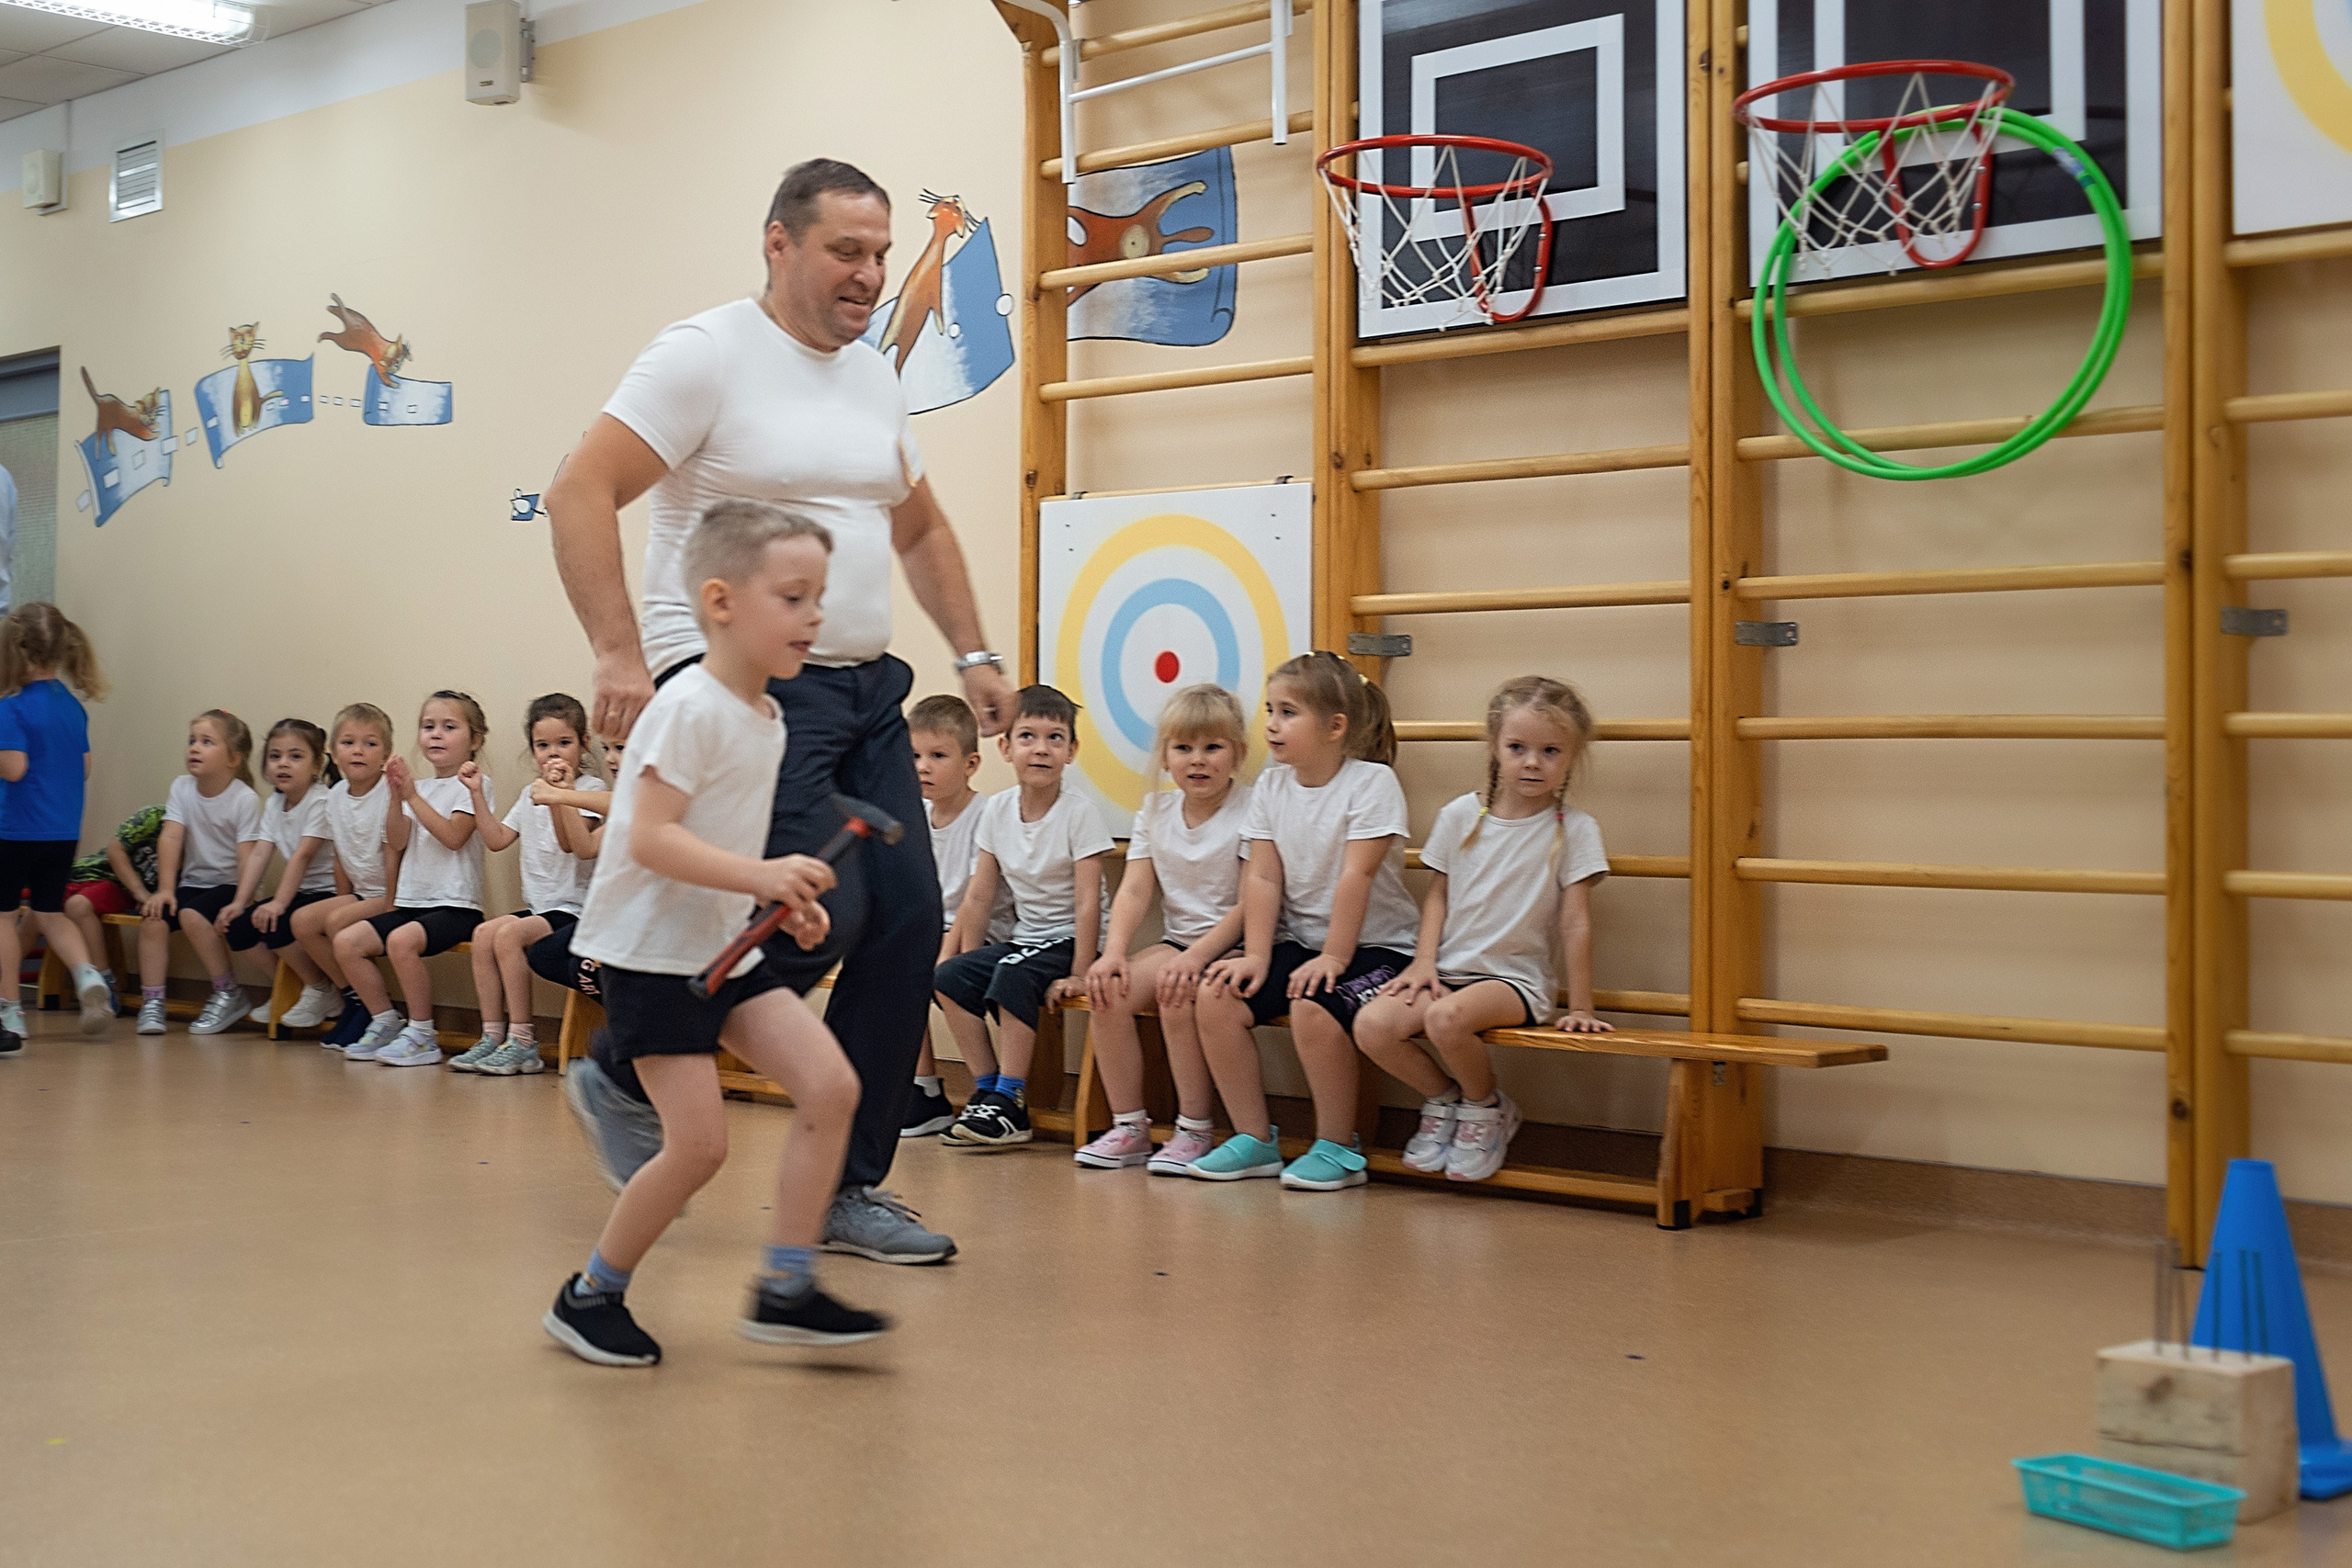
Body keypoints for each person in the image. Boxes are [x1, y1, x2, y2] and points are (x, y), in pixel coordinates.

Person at [547, 157, 1014, 1265]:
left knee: (906, 920)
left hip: (863, 686)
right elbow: (578, 490)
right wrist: (617, 651)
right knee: (824, 909)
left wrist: (975, 653)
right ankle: (627, 1068)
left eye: (881, 253)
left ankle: (847, 1190)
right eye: (846, 250)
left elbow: (918, 528)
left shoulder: (873, 375)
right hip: (740, 686)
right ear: (779, 243)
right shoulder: (704, 355)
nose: (870, 274)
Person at [543, 497, 885, 1367]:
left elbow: (726, 841)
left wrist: (782, 898)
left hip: (726, 945)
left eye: (819, 599)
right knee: (699, 1146)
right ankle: (590, 1295)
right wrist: (762, 877)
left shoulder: (766, 717)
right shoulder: (688, 706)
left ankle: (786, 1287)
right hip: (652, 956)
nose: (814, 617)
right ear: (721, 602)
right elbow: (650, 837)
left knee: (830, 1087)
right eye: (794, 598)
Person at [1352, 677, 1612, 1182]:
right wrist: (1423, 963)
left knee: (1446, 1019)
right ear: (1495, 746)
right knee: (1372, 1026)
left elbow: (1576, 920)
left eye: (1550, 751)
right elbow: (1438, 896)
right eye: (1517, 748)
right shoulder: (1459, 815)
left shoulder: (1575, 829)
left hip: (1514, 982)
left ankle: (1485, 1107)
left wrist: (1581, 1006)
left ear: (1572, 756)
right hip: (1449, 971)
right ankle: (1445, 1100)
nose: (1532, 762)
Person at [1194, 653, 1417, 1191]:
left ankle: (1338, 1146)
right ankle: (1253, 1138)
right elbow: (1263, 878)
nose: (1272, 724)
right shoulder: (1271, 787)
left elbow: (1357, 876)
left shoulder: (1373, 783)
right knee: (1215, 995)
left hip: (1381, 949)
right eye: (1270, 710)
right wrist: (1256, 955)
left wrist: (1335, 958)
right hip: (1303, 942)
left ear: (1335, 727)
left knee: (1312, 1008)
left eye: (1288, 712)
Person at [1076, 684, 1252, 1175]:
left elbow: (1250, 905)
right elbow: (1135, 890)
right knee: (1107, 990)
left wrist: (1196, 959)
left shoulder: (1253, 808)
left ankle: (1194, 1129)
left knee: (1177, 994)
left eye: (1212, 747)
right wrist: (1113, 952)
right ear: (1166, 756)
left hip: (1236, 945)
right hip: (1178, 943)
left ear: (1238, 753)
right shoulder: (1155, 811)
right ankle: (1129, 1127)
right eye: (1183, 748)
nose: (1198, 760)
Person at [932, 685, 1114, 1150]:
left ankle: (1011, 1102)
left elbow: (1088, 902)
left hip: (1073, 940)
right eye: (1028, 736)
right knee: (948, 977)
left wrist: (1080, 972)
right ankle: (987, 1091)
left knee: (1012, 975)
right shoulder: (997, 809)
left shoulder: (1079, 813)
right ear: (1006, 748)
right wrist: (967, 959)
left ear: (1071, 751)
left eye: (1055, 738)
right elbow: (979, 895)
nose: (1041, 748)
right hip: (1026, 939)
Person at [332, 692, 492, 1066]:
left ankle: (422, 1034)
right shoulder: (420, 787)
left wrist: (413, 796)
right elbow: (398, 839)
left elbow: (454, 837)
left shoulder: (474, 784)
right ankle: (386, 1021)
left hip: (456, 906)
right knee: (347, 943)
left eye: (449, 727)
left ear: (475, 739)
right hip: (413, 903)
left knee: (400, 942)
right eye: (428, 726)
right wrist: (395, 798)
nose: (435, 734)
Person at [453, 694, 604, 1077]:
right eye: (543, 745)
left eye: (564, 743)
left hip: (574, 909)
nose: (553, 754)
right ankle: (492, 1035)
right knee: (484, 934)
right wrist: (475, 793)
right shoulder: (529, 792)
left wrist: (559, 795)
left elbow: (572, 845)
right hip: (542, 907)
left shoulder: (591, 787)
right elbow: (497, 839)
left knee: (508, 936)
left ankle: (523, 1042)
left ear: (584, 743)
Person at [0, 604, 112, 1050]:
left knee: (4, 917)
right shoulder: (71, 706)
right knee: (50, 912)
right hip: (62, 830)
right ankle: (87, 975)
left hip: (15, 830)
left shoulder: (11, 708)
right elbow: (84, 768)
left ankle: (10, 1010)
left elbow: (14, 769)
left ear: (17, 652)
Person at [902, 692, 1010, 1137]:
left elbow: (973, 902)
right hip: (935, 929)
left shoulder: (986, 814)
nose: (922, 767)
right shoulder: (917, 814)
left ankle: (989, 1088)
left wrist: (948, 954)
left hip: (982, 932)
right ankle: (923, 1088)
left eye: (938, 756)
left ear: (971, 764)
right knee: (889, 963)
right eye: (914, 756)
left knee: (931, 971)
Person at [137, 711, 261, 1036]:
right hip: (194, 883)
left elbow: (247, 854)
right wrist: (165, 890)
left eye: (207, 742)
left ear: (233, 758)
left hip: (230, 885)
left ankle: (228, 992)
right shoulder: (182, 787)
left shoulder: (244, 798)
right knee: (153, 919)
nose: (195, 748)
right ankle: (153, 1001)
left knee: (191, 915)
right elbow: (171, 837)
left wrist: (243, 900)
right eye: (192, 740)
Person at [220, 719, 344, 1032]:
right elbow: (260, 853)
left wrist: (278, 904)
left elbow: (303, 856)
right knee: (239, 926)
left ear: (316, 766)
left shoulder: (321, 801)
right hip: (300, 891)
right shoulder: (275, 803)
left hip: (329, 892)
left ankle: (321, 988)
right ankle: (296, 987)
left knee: (277, 922)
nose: (283, 764)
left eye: (295, 756)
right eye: (275, 756)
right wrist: (240, 901)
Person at [301, 704, 402, 1047]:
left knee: (336, 922)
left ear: (386, 754)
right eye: (348, 743)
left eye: (370, 744)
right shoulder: (333, 797)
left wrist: (391, 903)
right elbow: (340, 854)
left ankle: (378, 1011)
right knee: (303, 922)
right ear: (333, 752)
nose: (358, 751)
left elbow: (394, 851)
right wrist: (341, 898)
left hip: (390, 893)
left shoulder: (389, 792)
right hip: (361, 892)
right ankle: (354, 998)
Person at [48, 800, 165, 1015]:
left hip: (118, 886)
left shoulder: (199, 836)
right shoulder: (154, 816)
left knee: (77, 906)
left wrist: (149, 895)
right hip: (85, 874)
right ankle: (7, 992)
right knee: (37, 913)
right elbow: (115, 850)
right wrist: (140, 891)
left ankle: (103, 979)